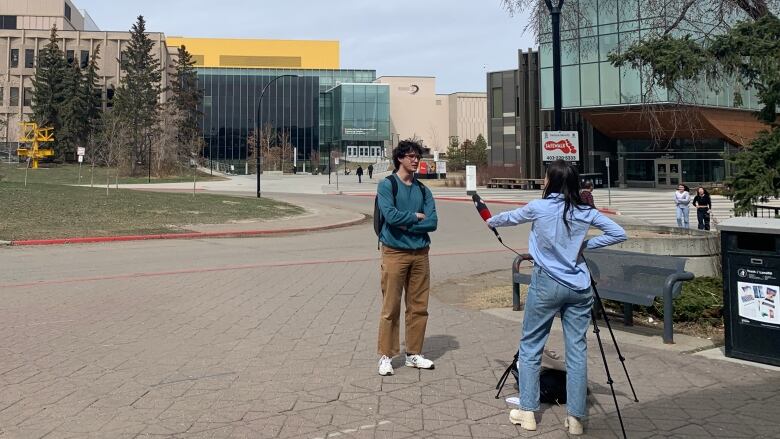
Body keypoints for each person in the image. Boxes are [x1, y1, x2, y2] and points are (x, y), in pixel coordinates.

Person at [486, 160, 627, 435]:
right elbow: (618, 233)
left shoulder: (540, 207)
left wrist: (491, 220)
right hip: (579, 286)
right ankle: (576, 418)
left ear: (551, 181)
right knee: (577, 350)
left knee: (531, 346)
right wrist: (585, 245)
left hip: (546, 283)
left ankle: (527, 412)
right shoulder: (585, 210)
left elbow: (510, 217)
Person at [376, 140, 438, 377]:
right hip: (395, 252)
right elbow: (390, 216)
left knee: (419, 307)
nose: (415, 160)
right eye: (411, 156)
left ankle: (414, 353)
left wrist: (410, 223)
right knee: (390, 306)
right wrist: (415, 217)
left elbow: (433, 222)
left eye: (417, 156)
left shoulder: (424, 190)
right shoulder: (387, 186)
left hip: (421, 254)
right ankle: (386, 355)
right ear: (400, 158)